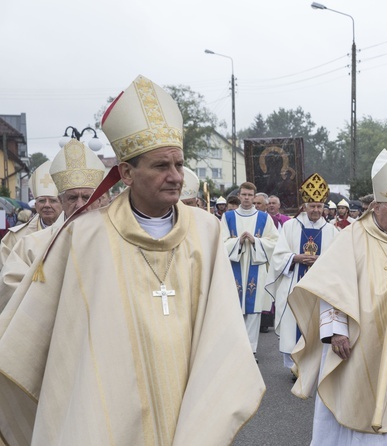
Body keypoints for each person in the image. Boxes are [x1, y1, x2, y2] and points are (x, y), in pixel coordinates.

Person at [0, 75, 264, 445]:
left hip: (189, 394)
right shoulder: (84, 235)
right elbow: (40, 332)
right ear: (126, 173)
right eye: (161, 166)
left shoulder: (207, 230)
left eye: (179, 164)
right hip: (111, 402)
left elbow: (221, 326)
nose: (176, 177)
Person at [289, 149, 387, 444]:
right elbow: (330, 286)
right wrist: (336, 332)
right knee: (352, 401)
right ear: (376, 206)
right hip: (357, 339)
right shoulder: (350, 237)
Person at [0, 139, 106, 311]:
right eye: (72, 198)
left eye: (87, 198)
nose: (80, 205)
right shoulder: (28, 246)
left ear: (99, 201)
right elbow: (10, 289)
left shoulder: (117, 238)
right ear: (63, 201)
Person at [265, 173, 338, 372]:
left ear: (324, 208)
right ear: (305, 206)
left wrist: (320, 261)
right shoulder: (290, 226)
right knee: (292, 324)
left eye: (319, 206)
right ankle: (293, 366)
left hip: (319, 289)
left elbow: (338, 260)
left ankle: (313, 367)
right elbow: (278, 255)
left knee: (316, 325)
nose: (316, 210)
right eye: (312, 206)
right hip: (294, 285)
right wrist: (295, 258)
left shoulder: (332, 231)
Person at [221, 182, 278, 355]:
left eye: (250, 195)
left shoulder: (264, 218)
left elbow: (275, 242)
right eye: (244, 194)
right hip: (235, 267)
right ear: (239, 195)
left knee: (253, 312)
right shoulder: (228, 217)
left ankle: (251, 351)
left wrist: (256, 241)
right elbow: (221, 242)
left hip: (256, 267)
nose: (246, 198)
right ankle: (236, 349)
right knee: (235, 310)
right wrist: (237, 241)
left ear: (255, 197)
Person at [0, 162, 62, 268]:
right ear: (36, 205)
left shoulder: (75, 231)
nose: (47, 205)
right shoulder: (15, 237)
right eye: (42, 200)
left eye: (52, 200)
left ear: (62, 203)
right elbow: (7, 275)